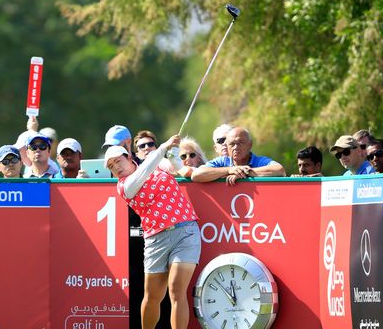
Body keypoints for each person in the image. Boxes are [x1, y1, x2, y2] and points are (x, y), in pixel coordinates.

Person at [105, 134, 199, 329]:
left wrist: (173, 152)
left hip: (186, 231)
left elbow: (178, 168)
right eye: (111, 166)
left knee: (176, 291)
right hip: (156, 240)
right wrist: (163, 147)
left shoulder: (158, 165)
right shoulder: (123, 186)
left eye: (118, 161)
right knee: (153, 296)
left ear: (130, 158)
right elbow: (145, 171)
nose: (116, 167)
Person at [191, 127, 286, 185]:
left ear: (250, 145)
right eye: (232, 144)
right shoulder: (222, 161)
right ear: (227, 147)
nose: (236, 147)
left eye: (241, 143)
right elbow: (196, 175)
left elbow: (280, 170)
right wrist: (229, 170)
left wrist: (244, 173)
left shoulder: (259, 161)